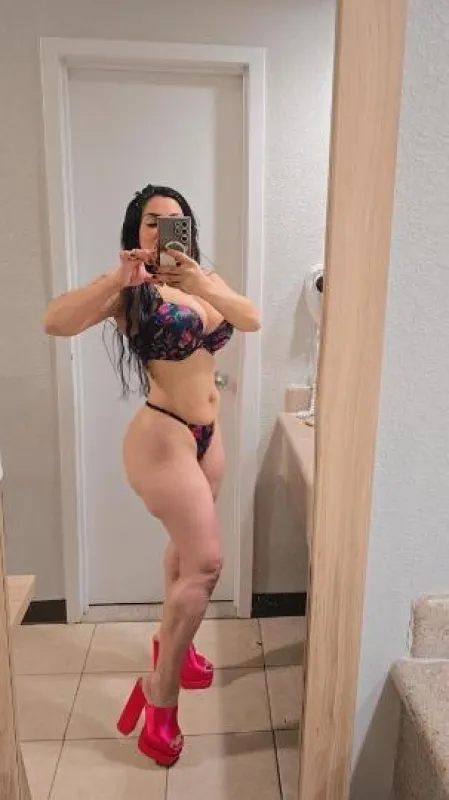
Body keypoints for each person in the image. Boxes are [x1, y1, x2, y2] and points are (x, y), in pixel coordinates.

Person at [43, 183, 261, 767]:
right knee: (207, 564)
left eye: (175, 220)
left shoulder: (202, 281)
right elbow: (55, 322)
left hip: (207, 438)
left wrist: (202, 282)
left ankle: (173, 648)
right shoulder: (129, 291)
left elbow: (251, 318)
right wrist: (117, 279)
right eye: (152, 221)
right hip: (162, 437)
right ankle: (158, 696)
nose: (164, 230)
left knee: (186, 554)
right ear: (136, 232)